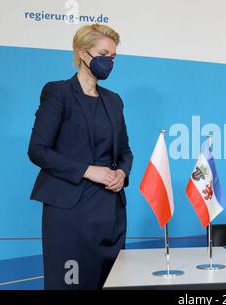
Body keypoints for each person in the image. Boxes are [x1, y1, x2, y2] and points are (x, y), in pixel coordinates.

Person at [27, 24, 133, 289]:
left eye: (113, 57)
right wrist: (88, 170)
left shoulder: (114, 100)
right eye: (103, 54)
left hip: (110, 212)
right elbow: (38, 150)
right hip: (70, 214)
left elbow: (125, 152)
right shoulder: (58, 92)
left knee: (112, 284)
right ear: (82, 53)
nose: (109, 61)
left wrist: (122, 173)